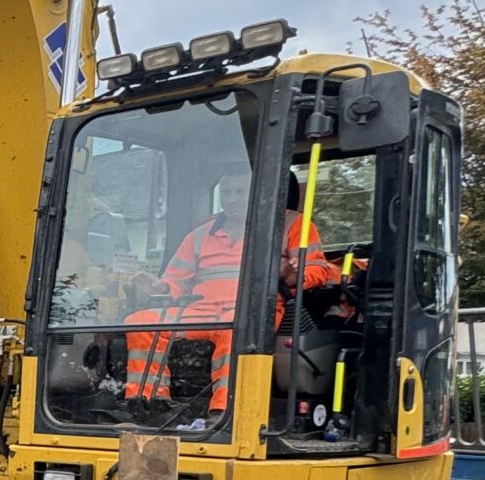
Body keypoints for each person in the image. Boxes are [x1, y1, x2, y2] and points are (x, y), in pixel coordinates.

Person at [123, 169, 331, 412]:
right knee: (140, 323)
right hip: (198, 310)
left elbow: (319, 270)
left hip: (252, 310)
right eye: (227, 192)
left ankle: (225, 412)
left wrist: (293, 275)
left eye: (240, 192)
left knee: (237, 330)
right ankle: (147, 404)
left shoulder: (292, 224)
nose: (232, 198)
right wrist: (161, 286)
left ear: (258, 193)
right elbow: (178, 280)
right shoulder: (200, 234)